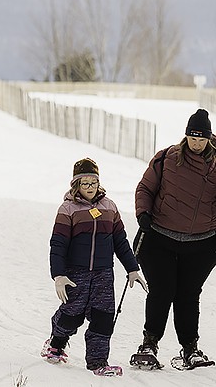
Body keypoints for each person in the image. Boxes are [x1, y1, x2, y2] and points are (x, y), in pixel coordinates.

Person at [131, 109, 216, 369]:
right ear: (186, 136)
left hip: (202, 243)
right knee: (161, 291)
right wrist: (143, 212)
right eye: (192, 137)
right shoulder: (167, 158)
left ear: (209, 139)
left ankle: (190, 348)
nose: (196, 143)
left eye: (201, 138)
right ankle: (149, 344)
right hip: (160, 238)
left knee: (188, 295)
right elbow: (145, 188)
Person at [45, 158, 146, 377]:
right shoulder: (68, 209)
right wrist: (59, 275)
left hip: (103, 273)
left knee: (103, 317)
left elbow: (120, 240)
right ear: (76, 185)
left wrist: (132, 268)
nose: (90, 188)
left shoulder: (109, 207)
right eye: (85, 183)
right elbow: (58, 244)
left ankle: (98, 363)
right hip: (76, 272)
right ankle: (56, 343)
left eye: (93, 182)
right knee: (72, 314)